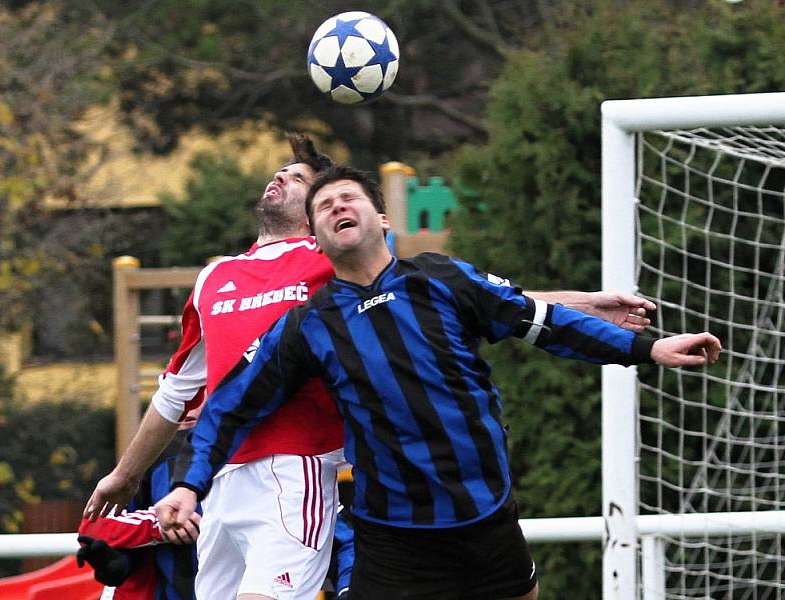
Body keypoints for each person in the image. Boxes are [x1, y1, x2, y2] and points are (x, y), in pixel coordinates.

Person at [155, 164, 722, 600]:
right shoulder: (309, 325)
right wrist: (187, 484)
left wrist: (649, 348)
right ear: (317, 240)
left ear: (382, 220)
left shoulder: (442, 277)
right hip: (394, 536)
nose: (337, 206)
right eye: (324, 205)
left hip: (486, 513)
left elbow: (542, 323)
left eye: (349, 196)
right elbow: (228, 405)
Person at [85, 134, 347, 600]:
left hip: (293, 469)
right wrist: (125, 475)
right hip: (215, 483)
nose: (281, 175)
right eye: (281, 171)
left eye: (299, 177)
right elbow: (175, 390)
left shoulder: (330, 260)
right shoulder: (216, 276)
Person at [77, 409, 202, 599]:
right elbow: (94, 522)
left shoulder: (253, 455)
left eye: (202, 389)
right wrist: (118, 564)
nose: (191, 404)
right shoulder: (159, 453)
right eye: (187, 388)